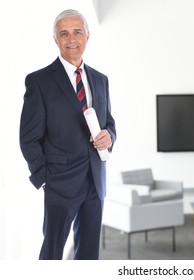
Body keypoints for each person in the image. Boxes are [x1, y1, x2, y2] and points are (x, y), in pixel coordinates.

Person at [19, 9, 116, 260]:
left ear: (87, 36)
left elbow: (109, 123)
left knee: (88, 254)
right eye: (64, 33)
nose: (71, 39)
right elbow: (28, 137)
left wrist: (110, 137)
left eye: (77, 32)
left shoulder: (100, 79)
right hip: (59, 184)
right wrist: (44, 178)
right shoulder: (39, 81)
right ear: (56, 40)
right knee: (52, 253)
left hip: (95, 180)